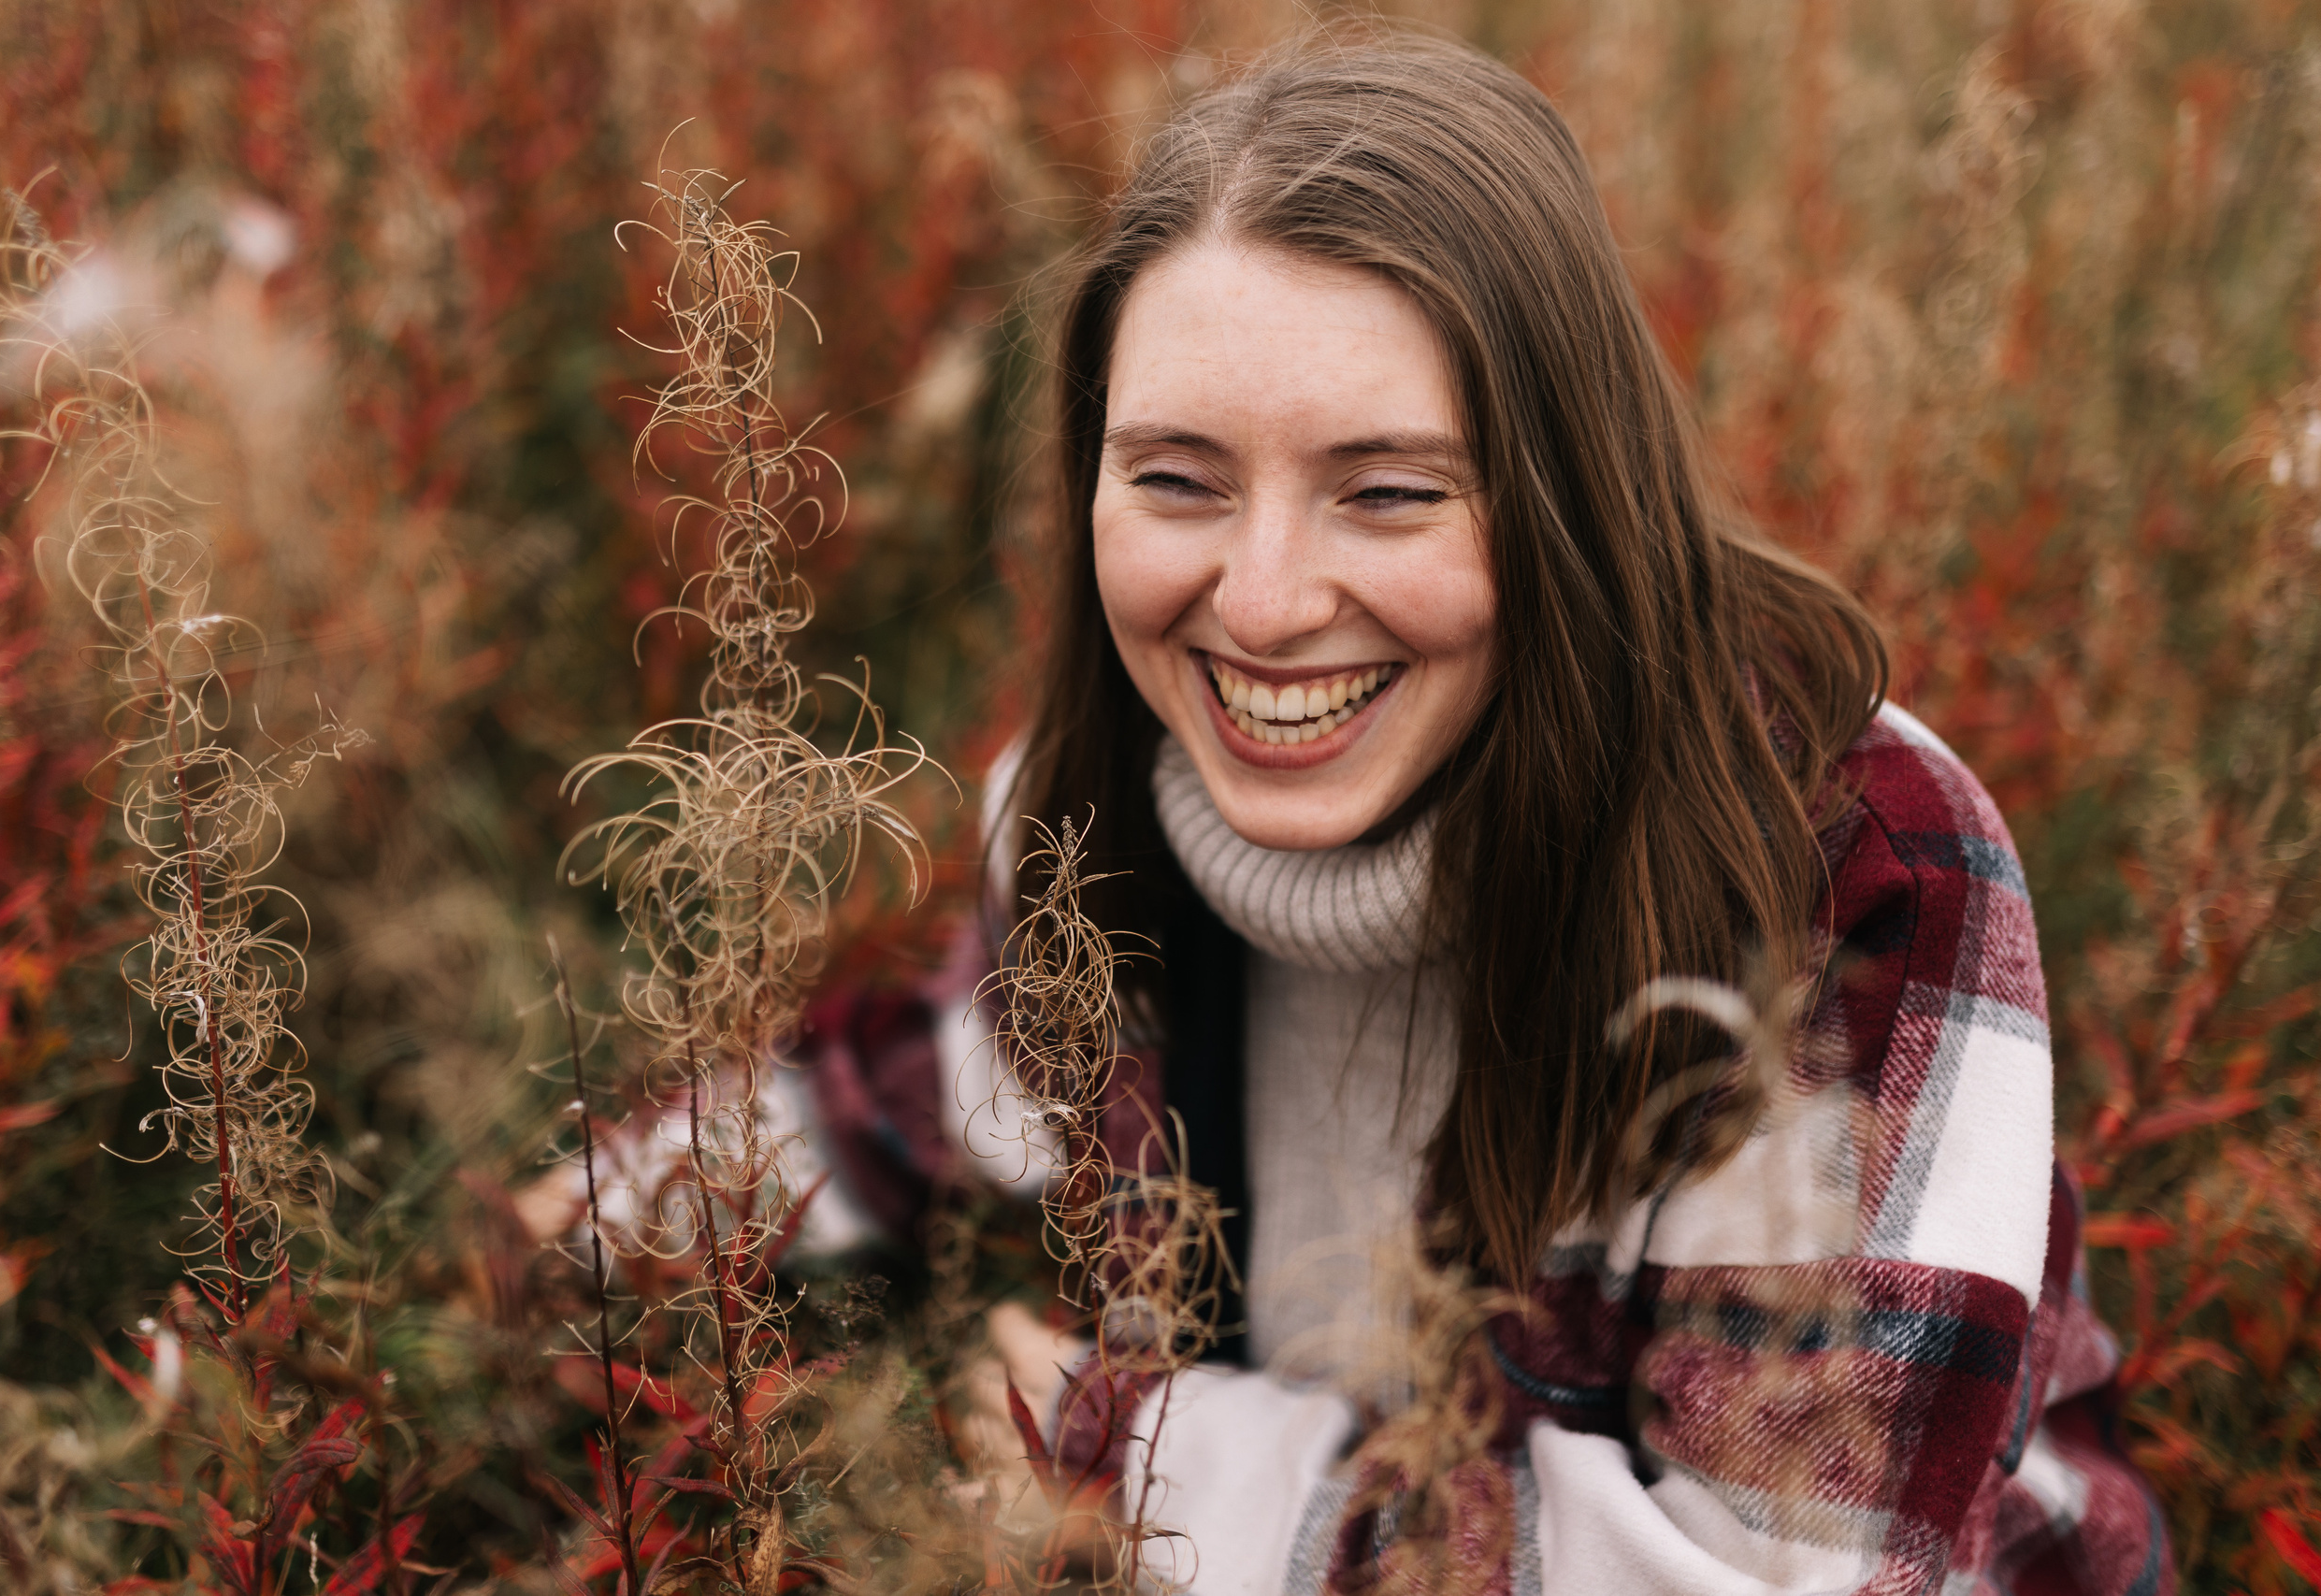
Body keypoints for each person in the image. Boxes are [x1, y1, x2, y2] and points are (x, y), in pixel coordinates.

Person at [796, 29, 2172, 1594]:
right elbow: (934, 1090)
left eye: (1389, 492)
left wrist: (1157, 1466)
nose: (1262, 605)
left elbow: (1778, 1571)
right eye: (1176, 479)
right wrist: (607, 1220)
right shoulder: (1090, 812)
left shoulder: (1847, 876)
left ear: (1565, 496)